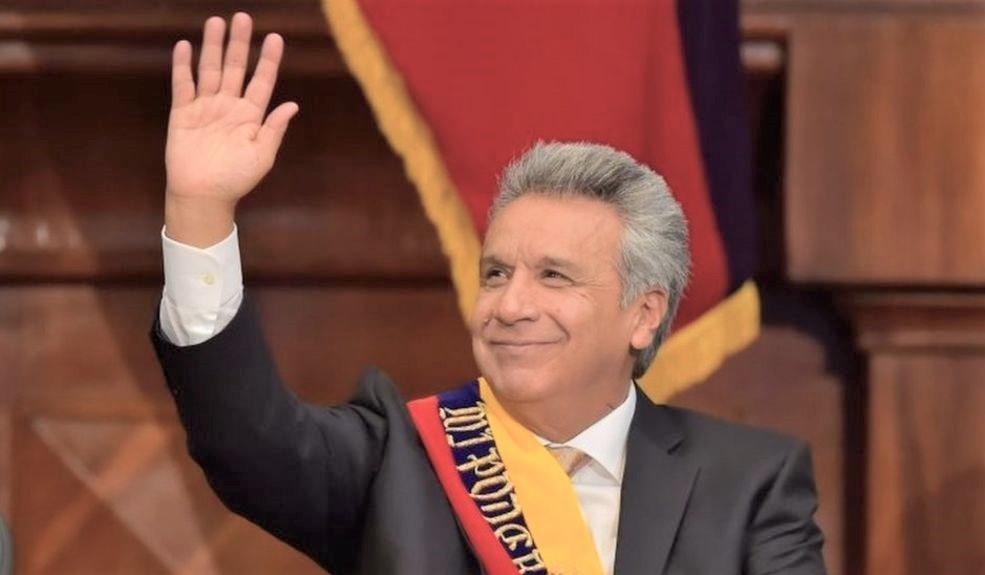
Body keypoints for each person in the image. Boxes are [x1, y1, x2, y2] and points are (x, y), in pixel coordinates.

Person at [152, 12, 826, 575]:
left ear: (643, 314)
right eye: (496, 273)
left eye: (553, 275)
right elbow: (247, 442)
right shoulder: (398, 461)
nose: (509, 306)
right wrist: (199, 211)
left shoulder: (750, 482)